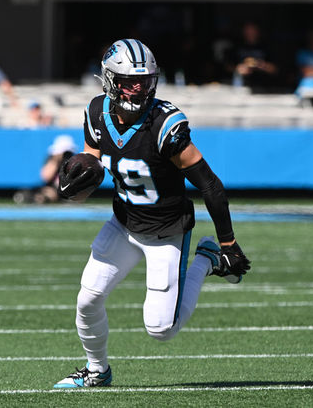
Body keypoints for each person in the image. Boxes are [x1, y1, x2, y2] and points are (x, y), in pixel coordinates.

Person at [53, 39, 251, 388]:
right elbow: (92, 161)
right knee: (87, 300)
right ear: (110, 80)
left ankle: (206, 258)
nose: (139, 88)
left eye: (145, 81)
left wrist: (228, 243)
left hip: (166, 230)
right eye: (130, 81)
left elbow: (210, 185)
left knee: (160, 329)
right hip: (124, 222)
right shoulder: (97, 113)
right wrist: (77, 183)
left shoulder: (163, 125)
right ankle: (97, 371)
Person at [12, 134, 76, 204]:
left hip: (62, 190)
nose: (66, 156)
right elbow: (45, 177)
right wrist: (56, 160)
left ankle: (40, 197)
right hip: (50, 188)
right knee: (46, 192)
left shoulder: (73, 162)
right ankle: (36, 197)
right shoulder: (52, 161)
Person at [232, 22, 278, 92]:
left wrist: (261, 65)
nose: (250, 33)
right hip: (242, 87)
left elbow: (275, 69)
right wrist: (238, 69)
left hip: (264, 87)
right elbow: (227, 66)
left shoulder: (266, 47)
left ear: (258, 31)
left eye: (252, 30)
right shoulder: (237, 47)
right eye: (247, 30)